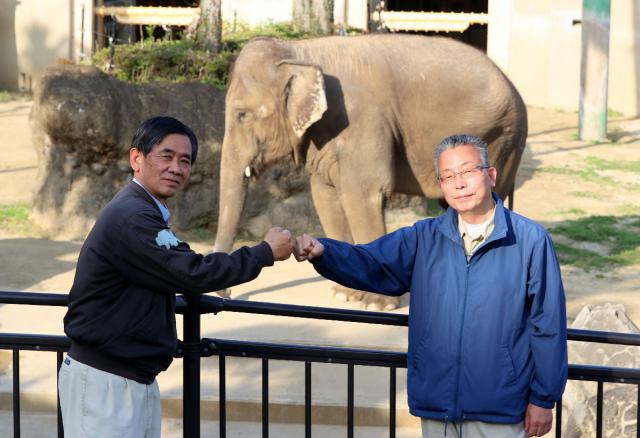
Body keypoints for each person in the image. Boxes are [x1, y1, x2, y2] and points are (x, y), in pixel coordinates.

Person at [294, 134, 568, 438]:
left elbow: (548, 324)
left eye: (467, 172)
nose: (459, 184)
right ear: (441, 186)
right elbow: (372, 262)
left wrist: (544, 399)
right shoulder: (423, 237)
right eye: (448, 176)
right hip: (438, 406)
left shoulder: (530, 240)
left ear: (490, 175)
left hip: (501, 409)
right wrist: (326, 252)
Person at [59, 116, 294, 437]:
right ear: (136, 159)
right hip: (105, 382)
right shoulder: (134, 217)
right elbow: (192, 271)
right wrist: (264, 252)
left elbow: (178, 267)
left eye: (185, 161)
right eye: (166, 156)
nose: (176, 168)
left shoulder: (143, 211)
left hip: (130, 378)